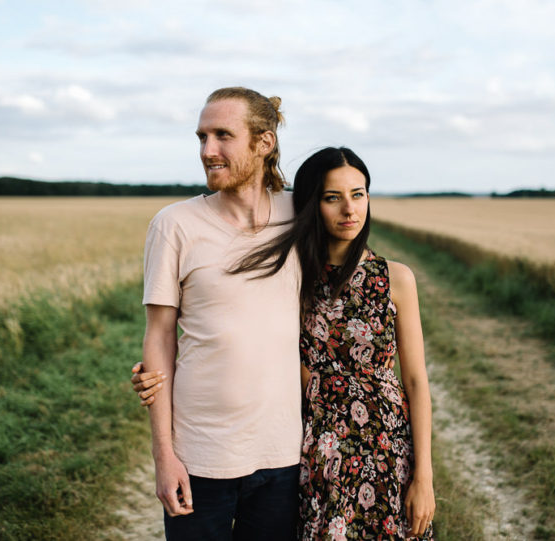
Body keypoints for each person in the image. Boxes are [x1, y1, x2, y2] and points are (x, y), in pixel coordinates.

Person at [136, 146, 435, 539]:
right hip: (315, 449)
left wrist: (424, 476)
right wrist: (156, 374)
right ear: (312, 204)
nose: (349, 209)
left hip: (386, 445)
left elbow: (415, 382)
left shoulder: (396, 278)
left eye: (359, 194)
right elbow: (243, 332)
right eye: (333, 198)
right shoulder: (293, 274)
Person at [137, 86, 303, 540]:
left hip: (283, 455)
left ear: (263, 142)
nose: (208, 151)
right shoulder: (174, 225)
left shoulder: (299, 216)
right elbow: (158, 339)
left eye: (223, 136)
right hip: (199, 457)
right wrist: (164, 456)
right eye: (201, 138)